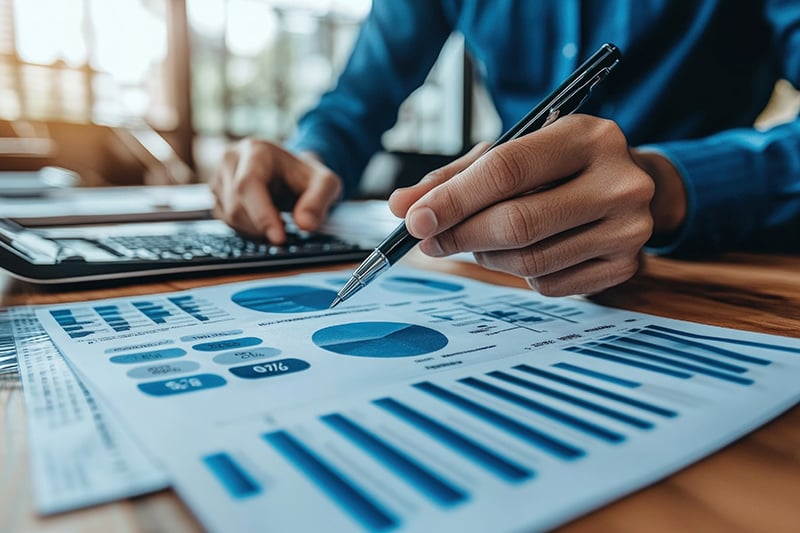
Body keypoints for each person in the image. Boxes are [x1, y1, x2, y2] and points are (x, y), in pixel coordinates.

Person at [211, 1, 800, 296]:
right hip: (512, 276)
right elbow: (356, 102)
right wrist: (309, 156)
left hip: (712, 277)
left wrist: (672, 183)